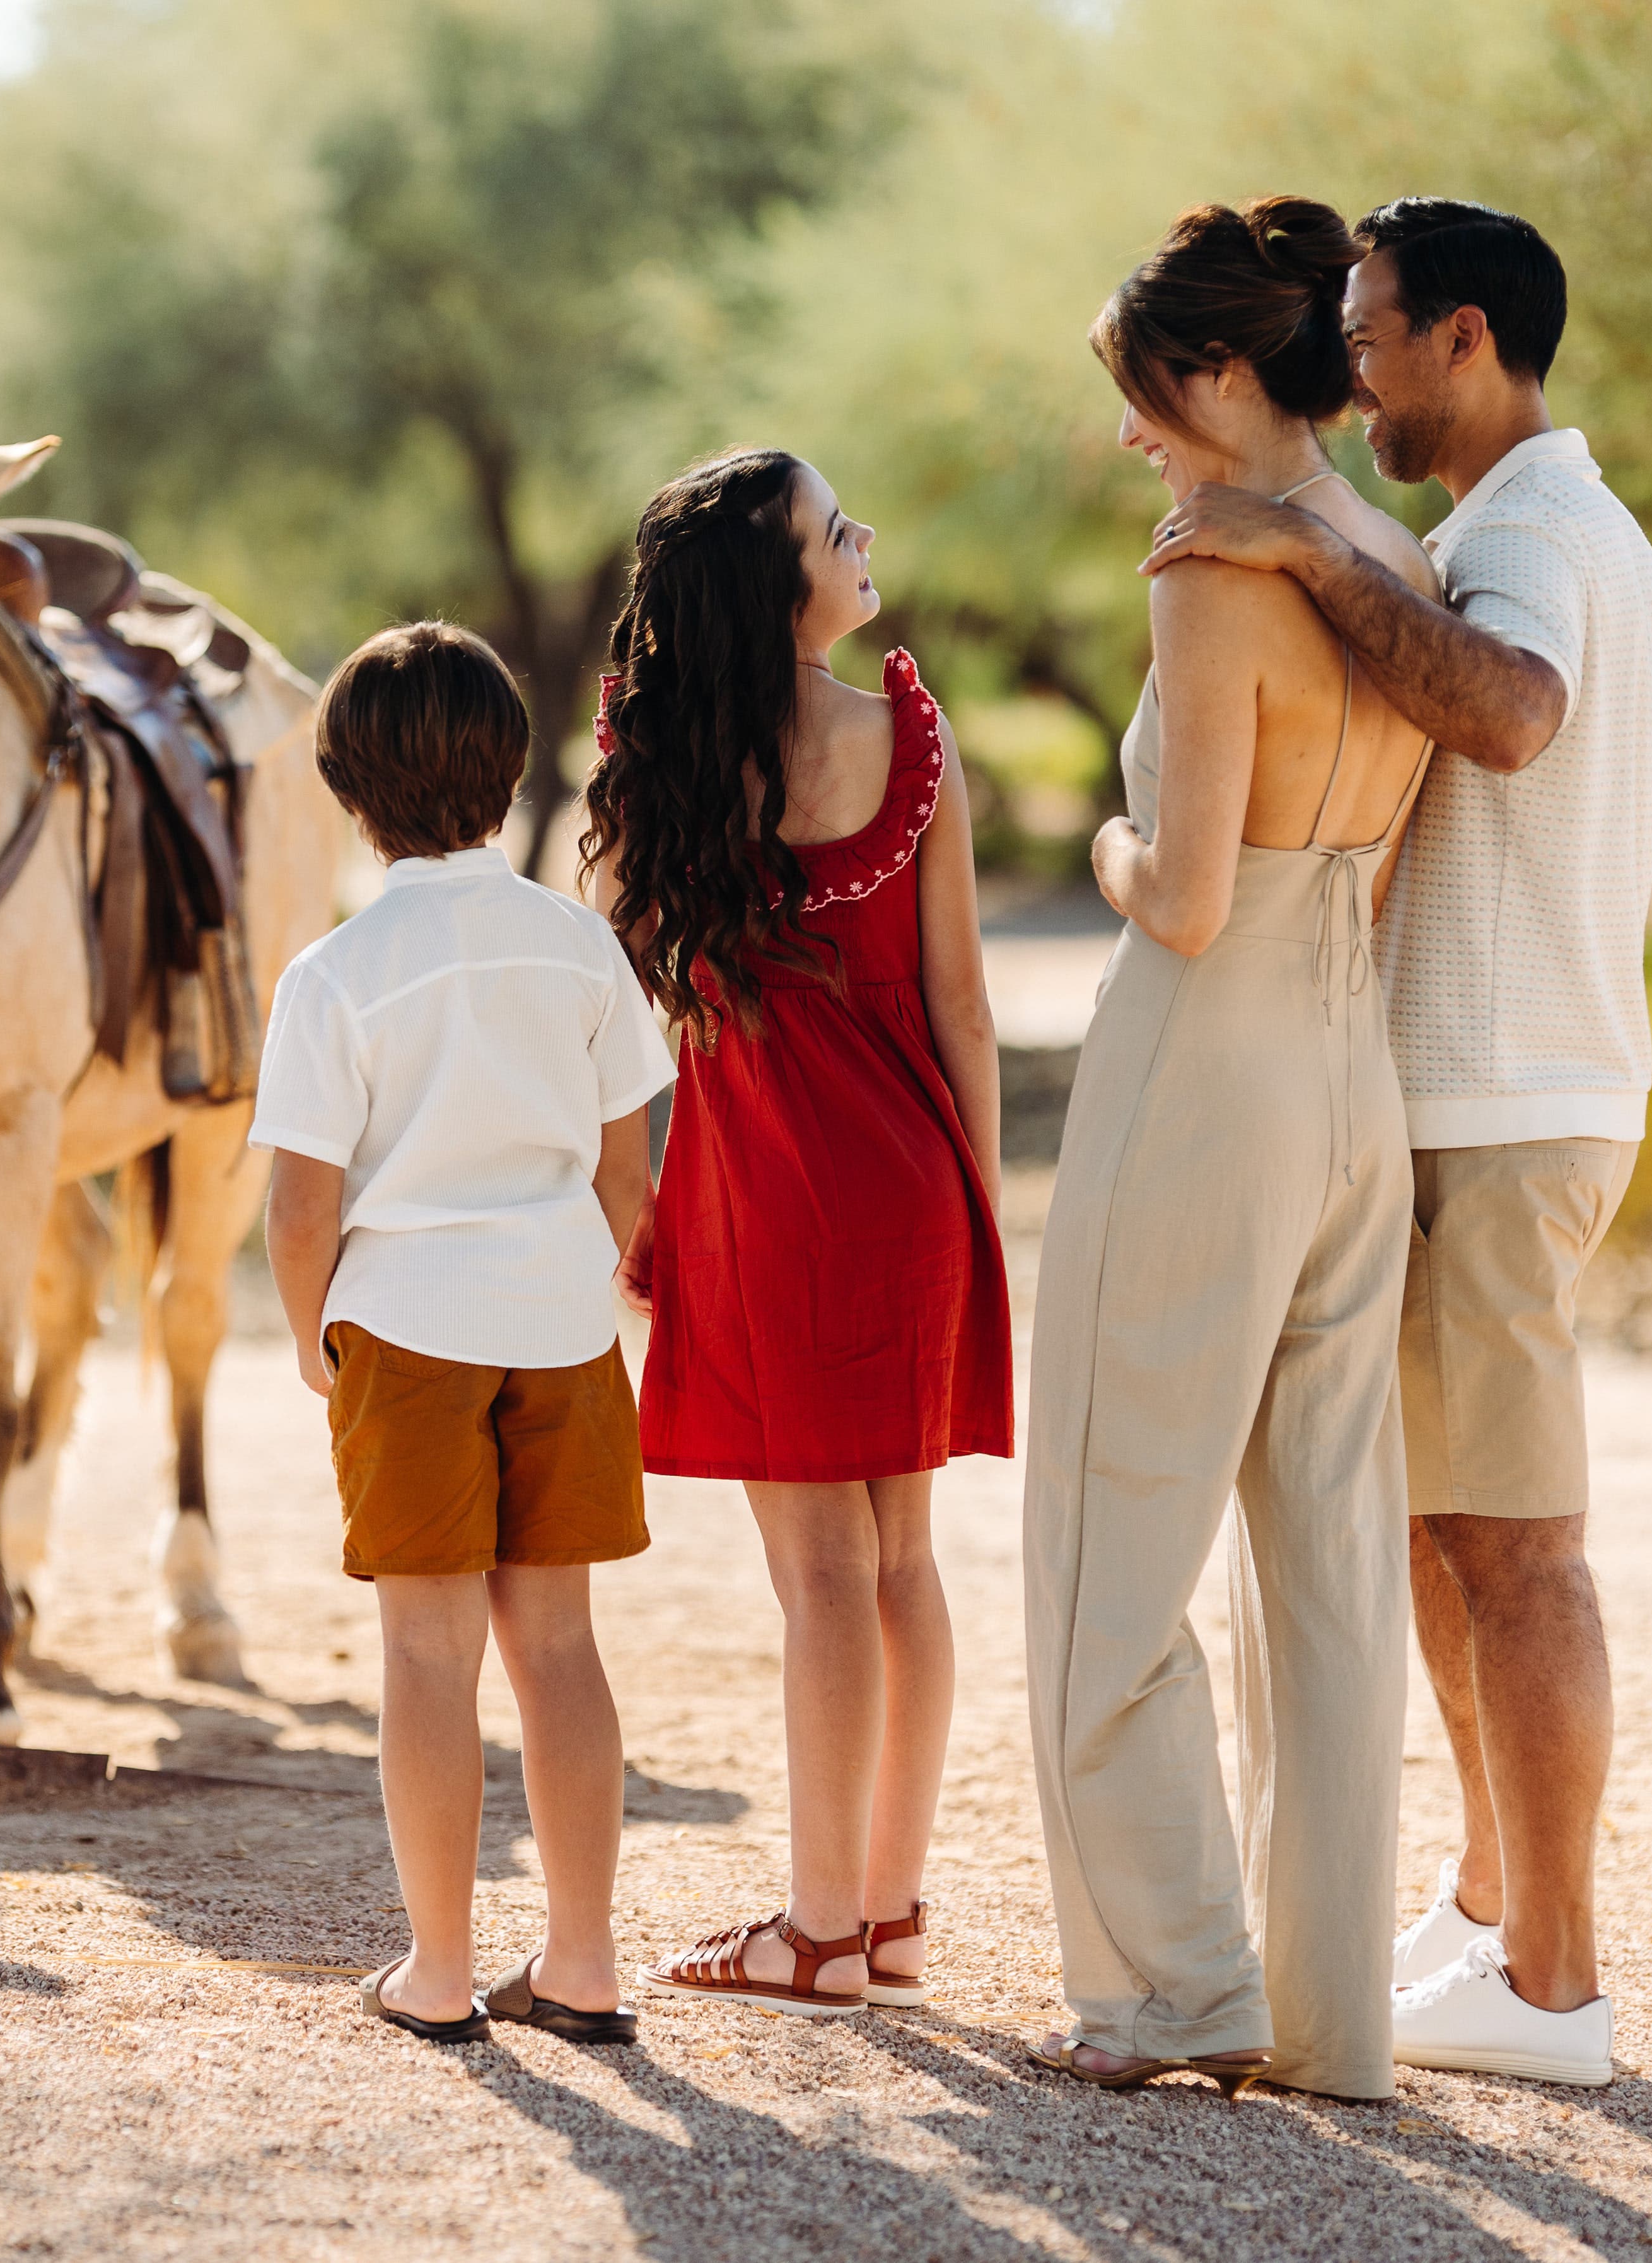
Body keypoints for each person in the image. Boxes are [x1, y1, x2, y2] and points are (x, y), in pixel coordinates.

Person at [1143, 199, 1652, 2090]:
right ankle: (1486, 1915)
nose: (1348, 372)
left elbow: (1511, 716)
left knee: (1517, 1554)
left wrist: (1298, 543)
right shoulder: (1532, 526)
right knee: (1454, 1538)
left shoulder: (1527, 537)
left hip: (1501, 1112)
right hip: (1496, 1103)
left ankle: (1554, 1985)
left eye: (1369, 336)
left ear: (1465, 336)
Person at [1025, 198, 1447, 2102]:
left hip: (1203, 1064)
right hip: (1352, 1071)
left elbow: (1184, 899)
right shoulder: (1391, 554)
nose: (1131, 432)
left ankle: (1172, 1987)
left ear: (1212, 373)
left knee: (1111, 1526)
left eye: (1141, 392)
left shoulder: (1209, 571)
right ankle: (1333, 2020)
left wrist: (1096, 848)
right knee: (1334, 1562)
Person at [585, 449, 1012, 2018]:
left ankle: (818, 1929)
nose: (864, 535)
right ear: (782, 590)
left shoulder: (654, 764)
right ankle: (885, 1914)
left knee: (821, 1575)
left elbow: (613, 1016)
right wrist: (976, 1204)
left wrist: (633, 1204)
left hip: (762, 1195)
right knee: (902, 1560)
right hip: (914, 1187)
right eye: (838, 531)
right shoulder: (911, 735)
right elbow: (965, 1004)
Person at [252, 622, 674, 2047]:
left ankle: (438, 1972)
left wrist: (310, 1335)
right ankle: (583, 1963)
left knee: (428, 1655)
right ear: (508, 769)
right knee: (560, 1645)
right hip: (558, 1325)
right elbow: (627, 1171)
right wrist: (592, 1276)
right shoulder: (578, 946)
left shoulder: (334, 975)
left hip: (406, 1331)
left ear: (347, 790)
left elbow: (300, 1208)